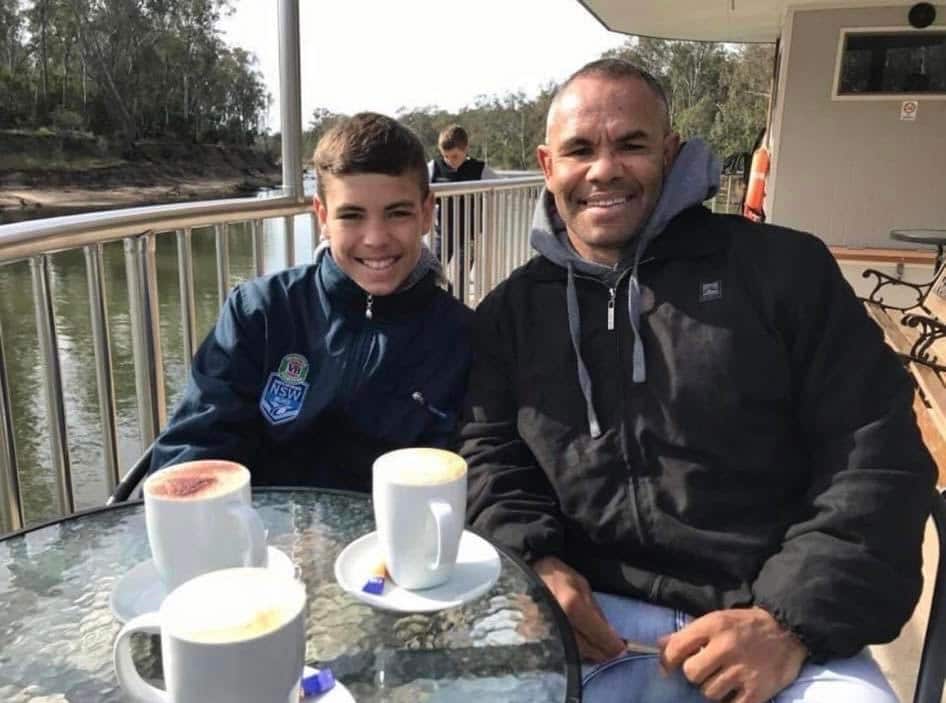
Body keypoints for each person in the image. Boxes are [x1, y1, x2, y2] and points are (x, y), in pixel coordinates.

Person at [460, 58, 935, 703]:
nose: (604, 170)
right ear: (548, 166)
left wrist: (786, 622)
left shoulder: (784, 273)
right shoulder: (510, 314)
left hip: (776, 623)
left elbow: (876, 456)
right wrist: (534, 566)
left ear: (670, 152)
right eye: (580, 150)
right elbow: (489, 455)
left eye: (631, 145)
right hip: (591, 623)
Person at [149, 112, 472, 492]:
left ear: (427, 213)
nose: (375, 238)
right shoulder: (259, 313)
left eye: (397, 213)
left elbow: (478, 471)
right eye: (351, 215)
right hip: (258, 527)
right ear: (322, 216)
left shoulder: (465, 337)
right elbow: (193, 449)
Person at [428, 124, 498, 300]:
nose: (450, 161)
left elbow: (501, 186)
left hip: (469, 235)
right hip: (443, 233)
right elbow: (418, 188)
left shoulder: (479, 169)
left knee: (461, 274)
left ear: (465, 149)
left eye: (455, 156)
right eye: (445, 156)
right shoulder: (434, 167)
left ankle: (455, 307)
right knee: (430, 272)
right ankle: (435, 304)